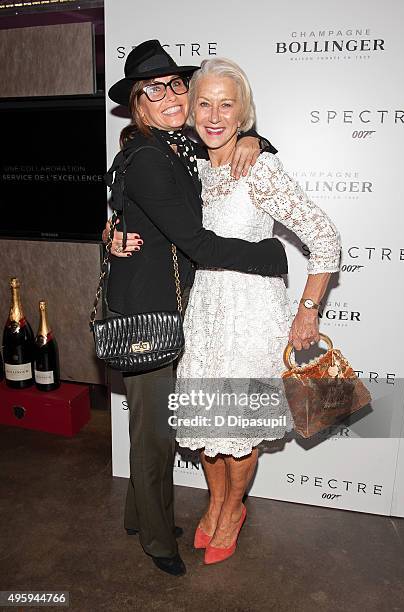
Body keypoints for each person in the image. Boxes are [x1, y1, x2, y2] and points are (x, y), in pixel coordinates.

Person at [105, 40, 288, 577]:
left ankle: (140, 517)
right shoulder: (149, 158)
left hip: (183, 309)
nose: (170, 97)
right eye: (153, 90)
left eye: (175, 85)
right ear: (139, 103)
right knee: (154, 434)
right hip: (150, 314)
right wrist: (268, 253)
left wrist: (256, 138)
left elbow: (226, 136)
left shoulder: (178, 144)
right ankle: (159, 541)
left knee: (154, 427)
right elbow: (199, 244)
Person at [173, 58, 342, 565]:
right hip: (205, 313)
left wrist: (308, 309)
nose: (215, 114)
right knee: (208, 424)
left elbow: (326, 239)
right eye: (205, 103)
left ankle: (232, 511)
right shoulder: (188, 169)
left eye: (227, 103)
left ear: (244, 112)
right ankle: (215, 503)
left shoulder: (260, 166)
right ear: (190, 111)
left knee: (240, 428)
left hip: (251, 313)